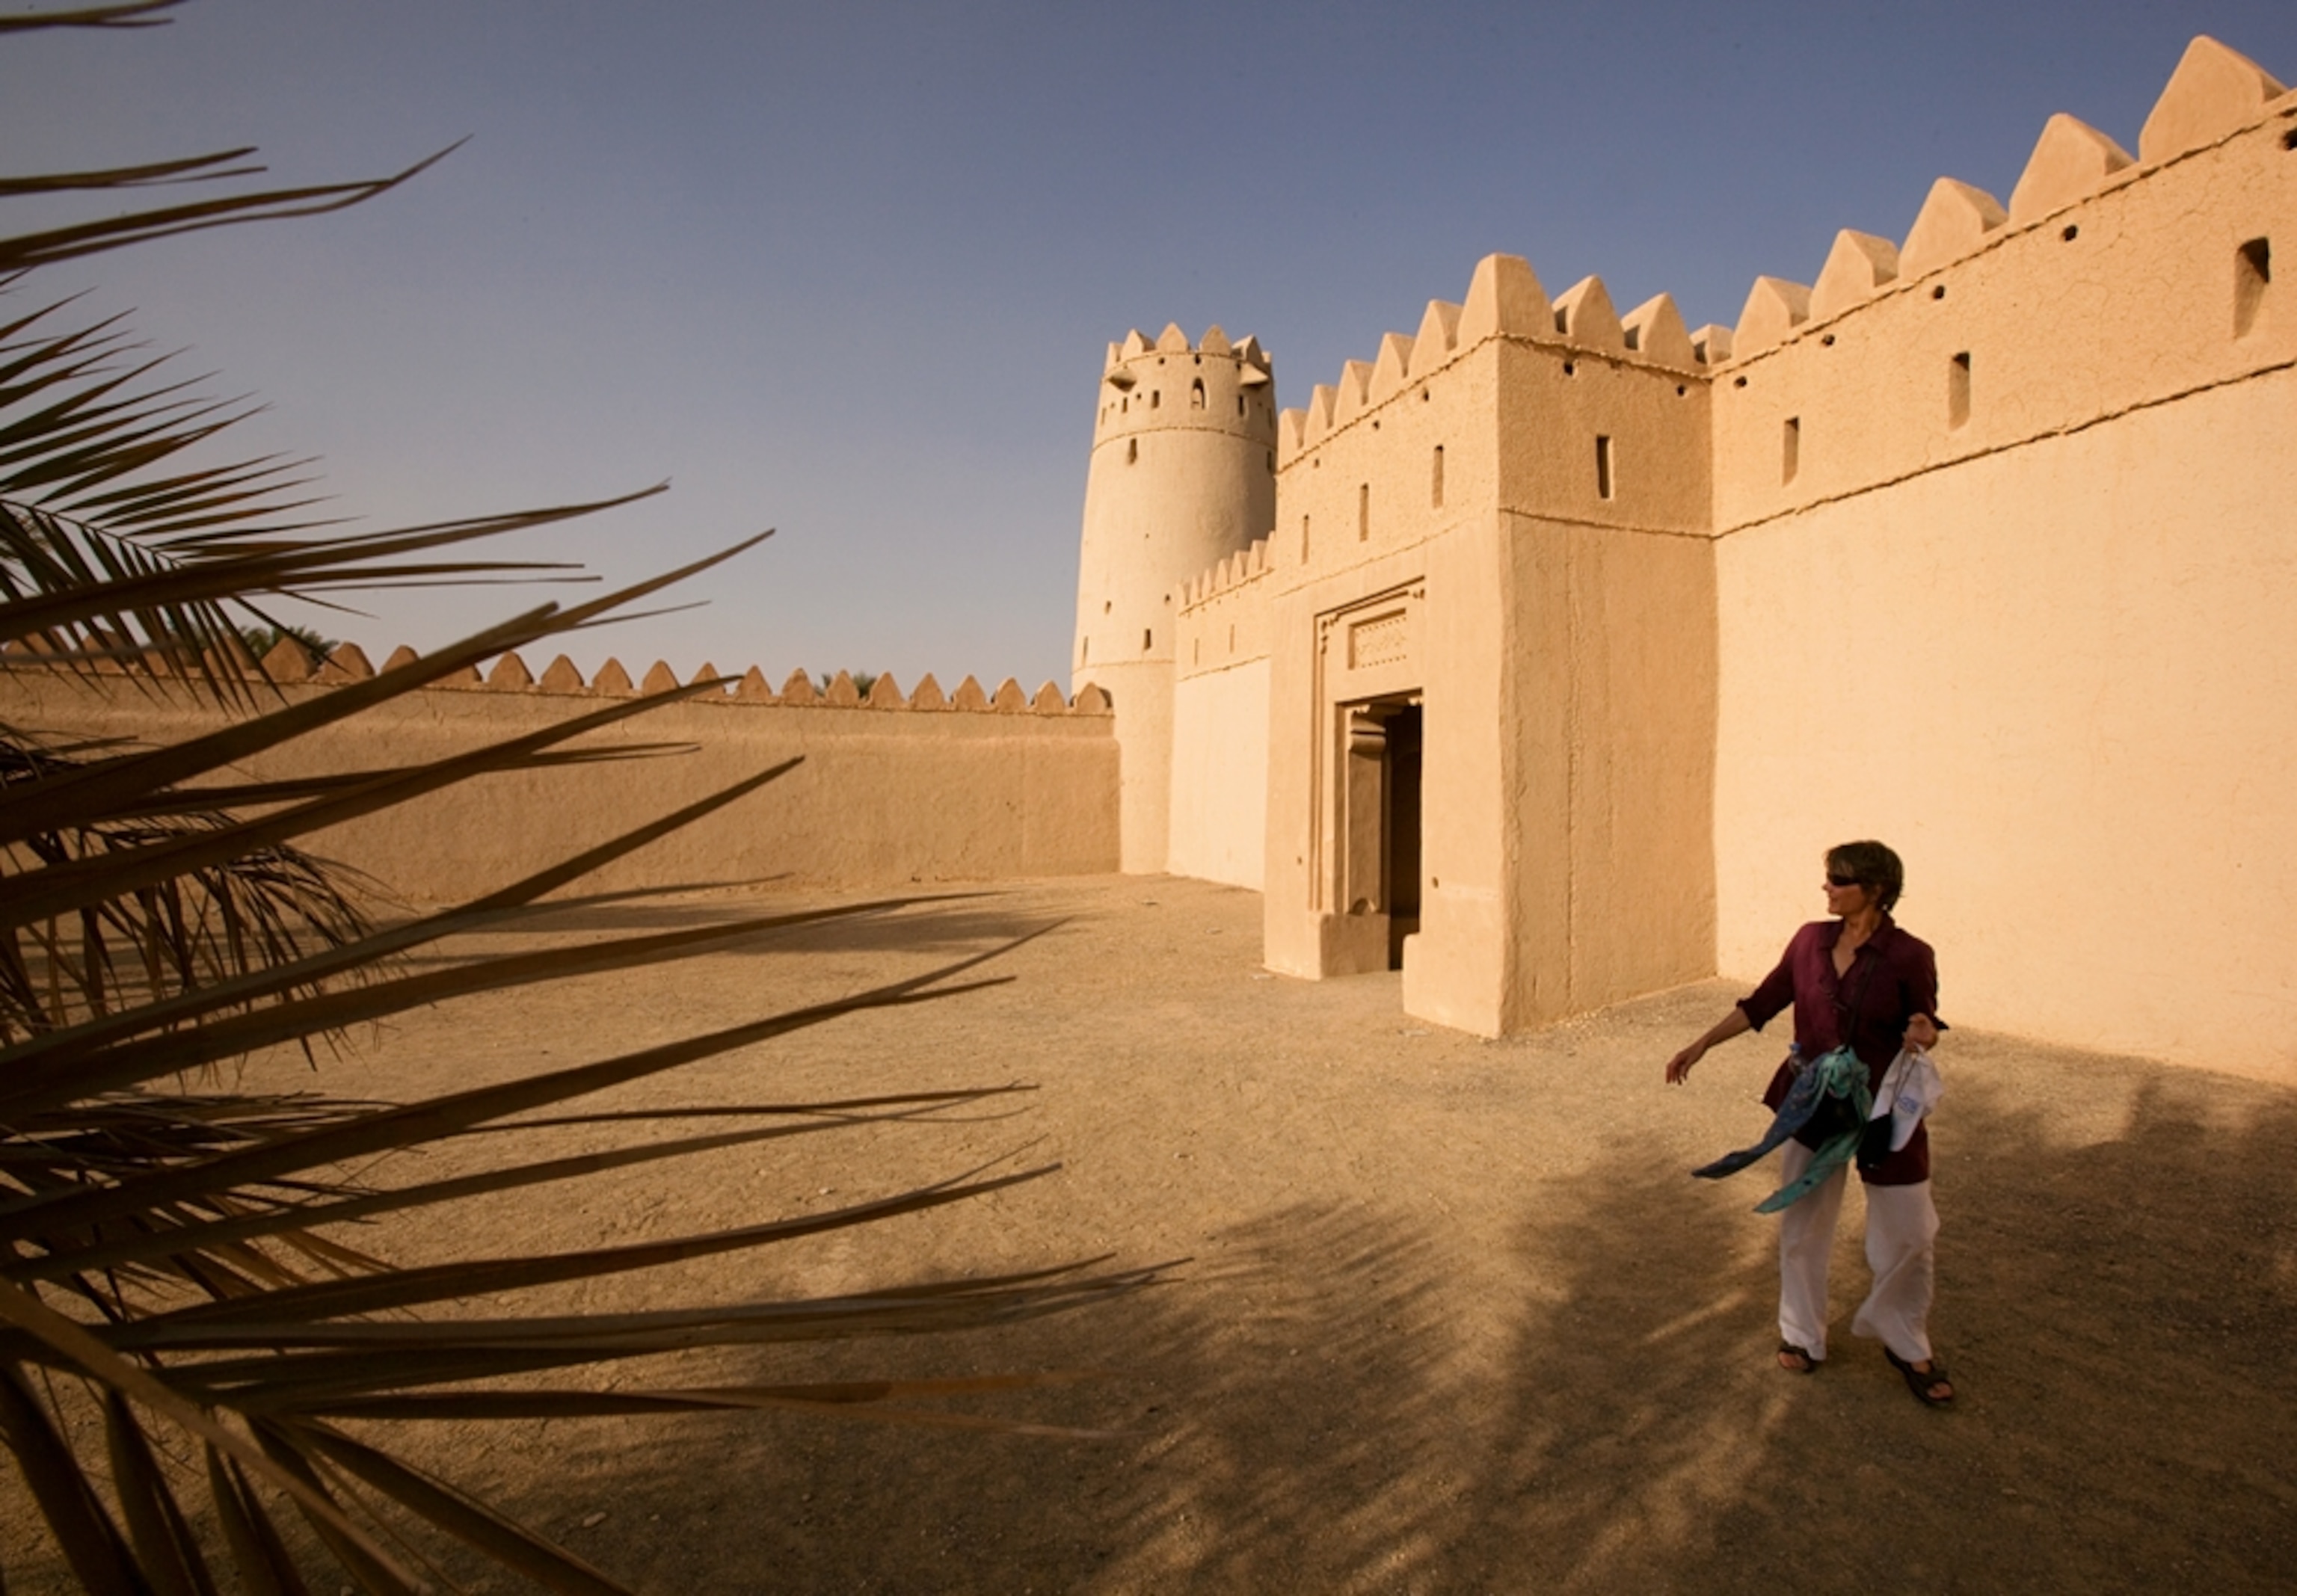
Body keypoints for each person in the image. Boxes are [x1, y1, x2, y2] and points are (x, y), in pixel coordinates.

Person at [1664, 840, 1953, 1406]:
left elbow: (1926, 1017)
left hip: (1884, 1110)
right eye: (1828, 877)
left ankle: (1904, 1337)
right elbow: (1762, 1002)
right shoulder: (1808, 941)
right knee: (1804, 1223)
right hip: (1813, 1102)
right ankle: (1803, 1333)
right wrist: (1701, 1044)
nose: (1827, 887)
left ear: (1874, 888)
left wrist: (1924, 1032)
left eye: (1840, 879)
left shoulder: (1909, 953)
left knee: (1910, 1230)